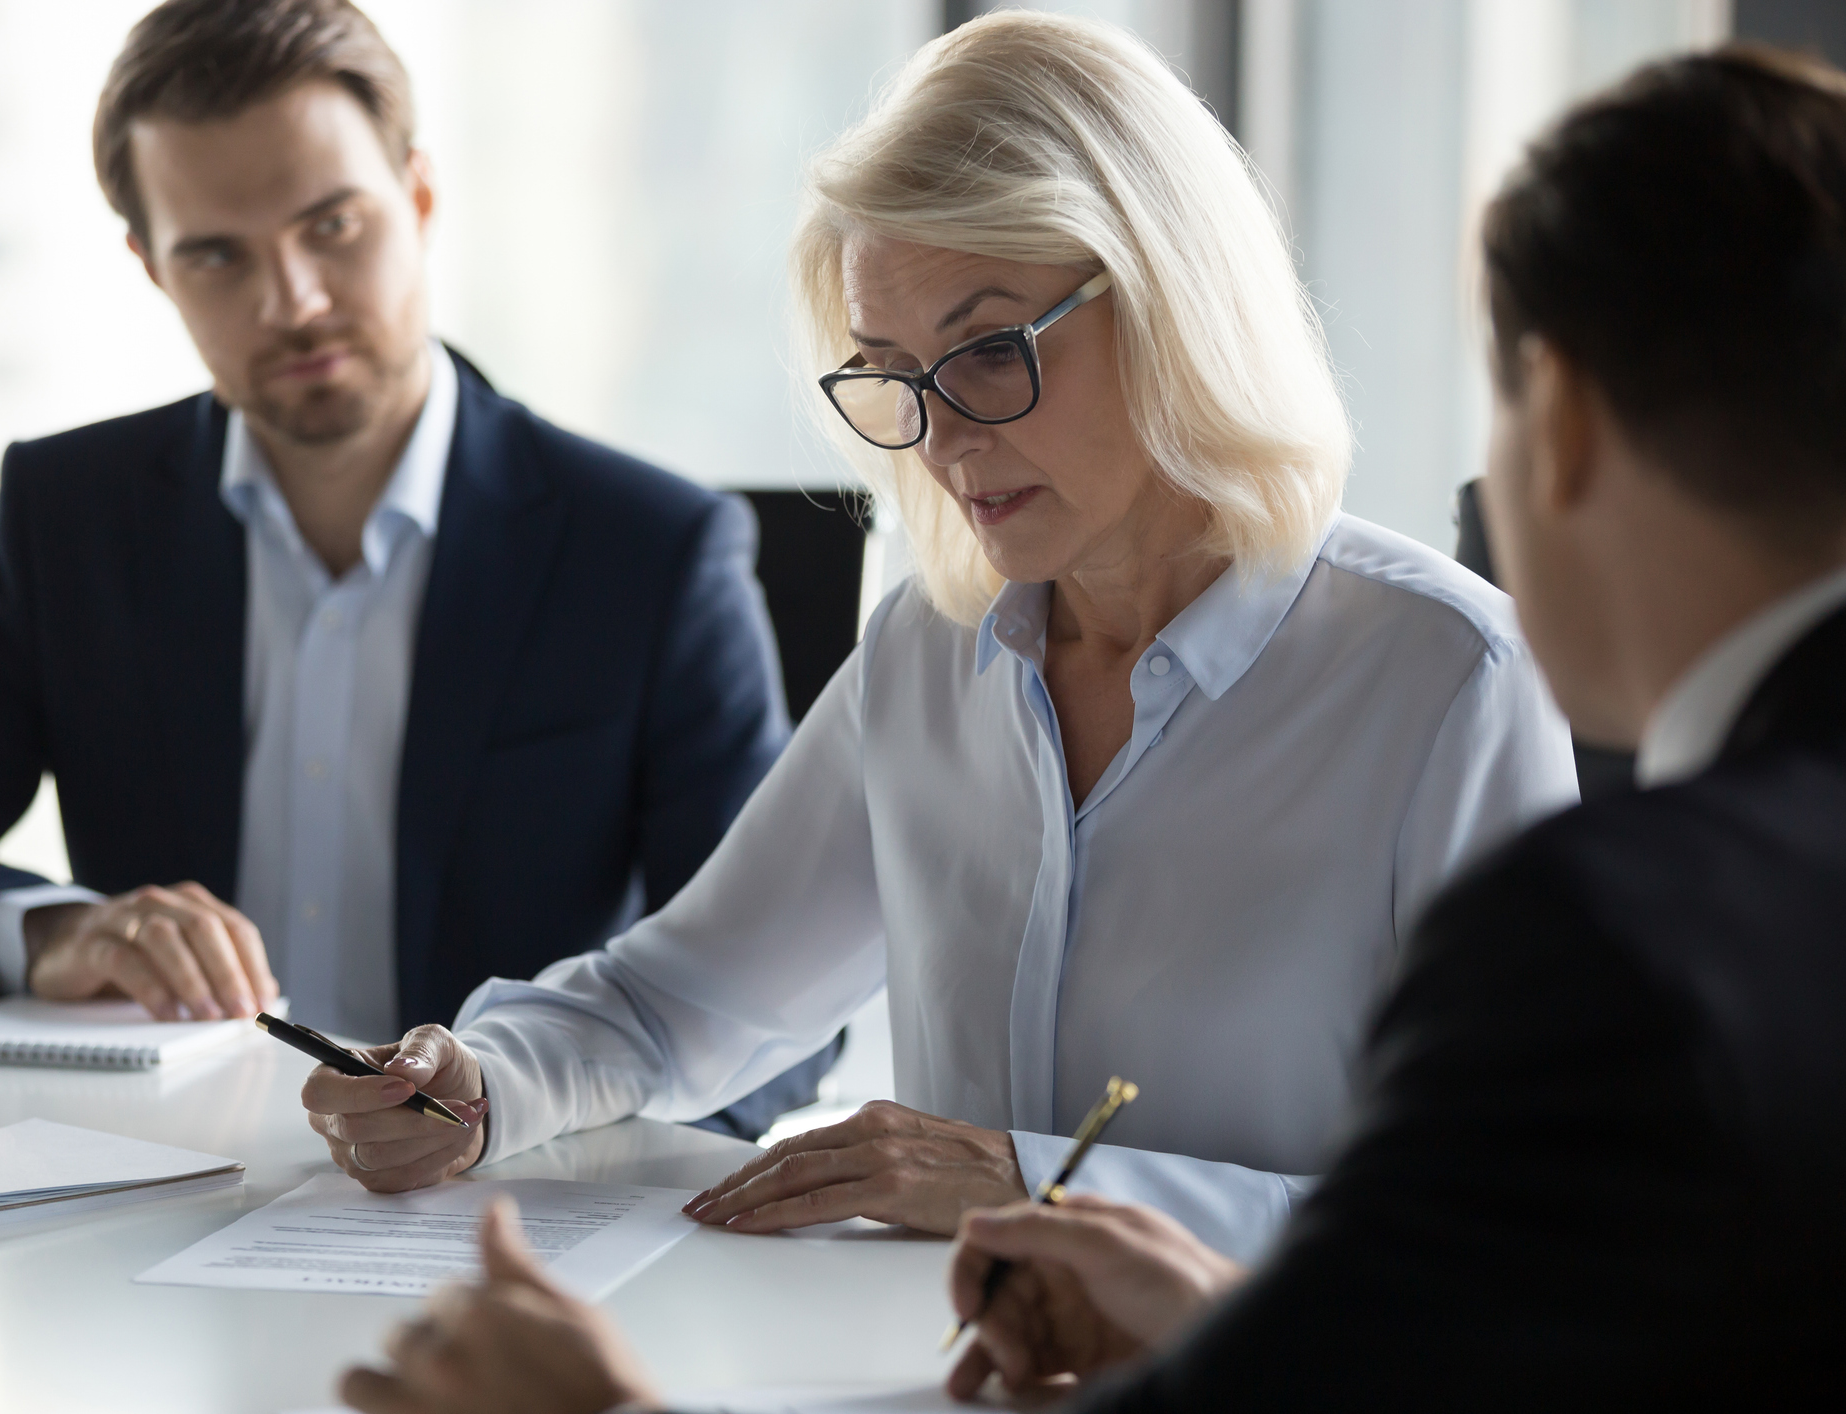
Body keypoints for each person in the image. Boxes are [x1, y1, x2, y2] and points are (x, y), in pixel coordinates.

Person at [333, 41, 1846, 1414]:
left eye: (992, 349)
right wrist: (480, 1082)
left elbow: (1489, 1242)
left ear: (1169, 300)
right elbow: (680, 999)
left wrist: (1041, 1187)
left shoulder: (1439, 676)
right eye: (896, 376)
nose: (943, 434)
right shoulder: (930, 650)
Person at [0, 0, 836, 1140]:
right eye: (218, 254)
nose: (292, 300)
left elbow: (776, 1012)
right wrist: (50, 933)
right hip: (153, 1202)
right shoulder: (72, 518)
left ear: (418, 196)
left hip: (512, 1208)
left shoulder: (650, 550)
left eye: (333, 226)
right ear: (152, 267)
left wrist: (564, 1152)